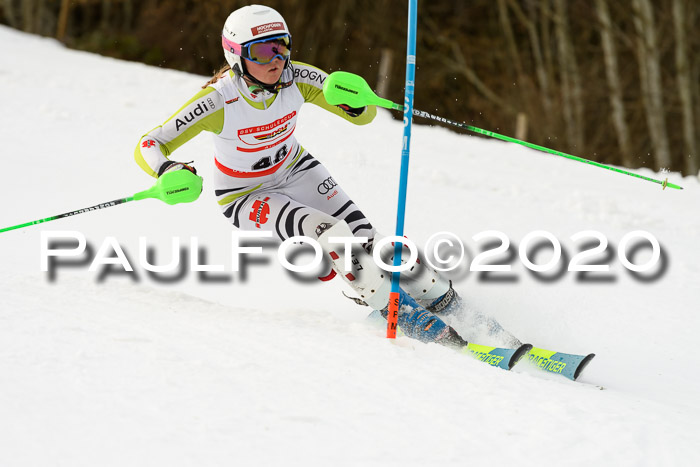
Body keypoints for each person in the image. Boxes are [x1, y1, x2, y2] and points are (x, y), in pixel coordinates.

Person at [134, 4, 474, 348]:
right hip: (245, 195)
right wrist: (167, 169)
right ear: (235, 55)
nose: (276, 59)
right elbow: (150, 143)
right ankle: (397, 312)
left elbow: (364, 115)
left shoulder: (297, 77)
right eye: (263, 51)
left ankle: (453, 306)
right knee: (332, 234)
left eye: (282, 45)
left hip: (298, 170)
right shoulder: (217, 101)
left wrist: (357, 105)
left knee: (373, 241)